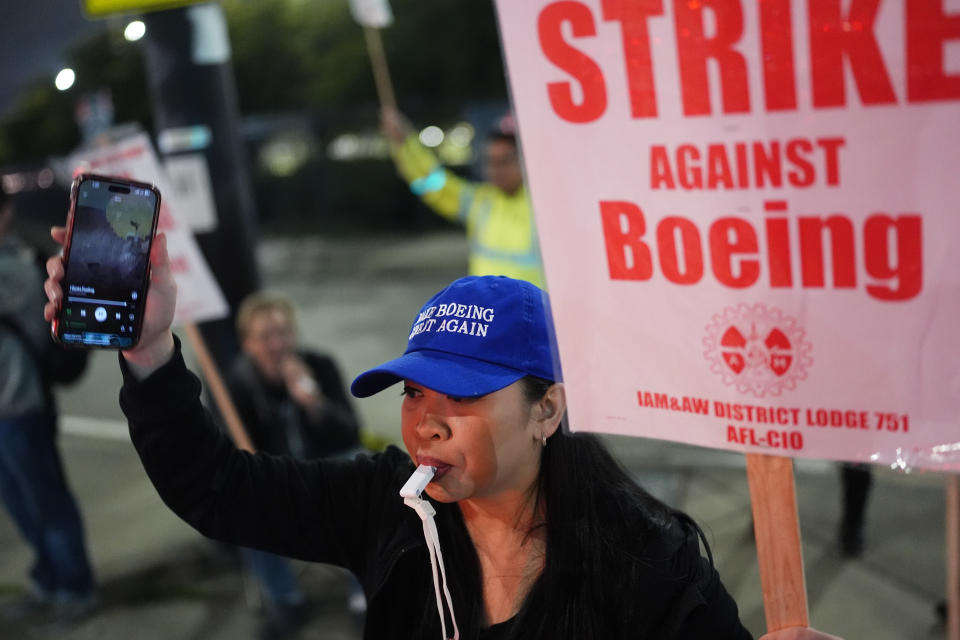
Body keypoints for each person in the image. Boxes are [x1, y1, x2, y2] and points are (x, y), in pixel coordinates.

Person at [42, 230, 843, 640]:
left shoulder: (651, 563)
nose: (424, 419)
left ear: (547, 411)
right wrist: (148, 351)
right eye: (414, 389)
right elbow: (215, 489)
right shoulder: (387, 506)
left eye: (459, 394)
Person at [227, 291, 364, 638]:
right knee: (241, 503)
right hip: (278, 483)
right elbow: (236, 456)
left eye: (284, 332)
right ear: (247, 344)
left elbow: (351, 433)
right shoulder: (239, 385)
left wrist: (314, 404)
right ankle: (284, 600)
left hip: (326, 473)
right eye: (265, 336)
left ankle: (365, 598)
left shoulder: (320, 365)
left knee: (360, 478)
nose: (277, 344)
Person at [0, 190, 95, 623]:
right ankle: (47, 578)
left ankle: (75, 588)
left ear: (6, 216)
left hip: (23, 407)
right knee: (19, 502)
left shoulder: (18, 267)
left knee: (47, 501)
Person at [382, 107, 546, 289]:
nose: (495, 171)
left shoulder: (546, 206)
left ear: (525, 160)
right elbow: (431, 182)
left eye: (504, 162)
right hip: (484, 313)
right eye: (490, 162)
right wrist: (405, 144)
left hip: (532, 315)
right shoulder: (480, 200)